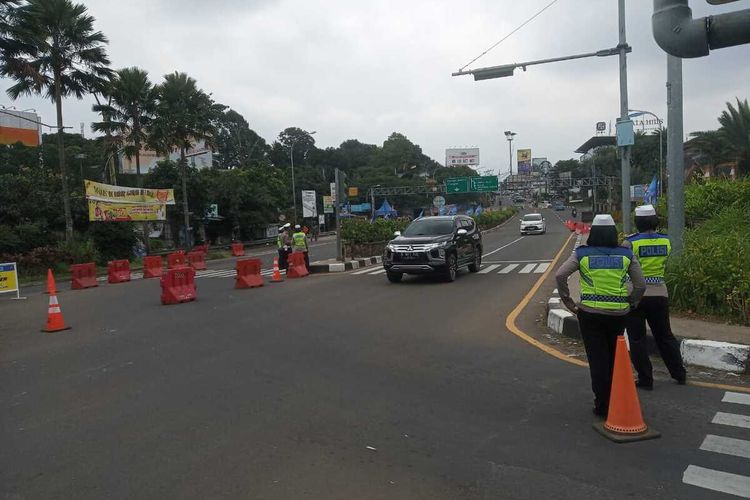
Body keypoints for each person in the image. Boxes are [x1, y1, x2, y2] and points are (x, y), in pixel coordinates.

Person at [556, 214, 646, 417]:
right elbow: (640, 284)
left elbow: (561, 275)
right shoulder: (625, 254)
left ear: (593, 233)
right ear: (614, 233)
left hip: (590, 314)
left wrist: (569, 303)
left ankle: (602, 404)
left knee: (597, 359)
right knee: (615, 358)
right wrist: (632, 303)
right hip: (619, 314)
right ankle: (617, 397)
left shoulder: (582, 254)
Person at [623, 205, 687, 389]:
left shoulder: (630, 243)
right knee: (665, 335)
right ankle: (679, 373)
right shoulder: (666, 241)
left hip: (635, 295)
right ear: (655, 221)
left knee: (637, 339)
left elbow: (624, 266)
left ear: (637, 222)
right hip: (660, 293)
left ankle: (645, 379)